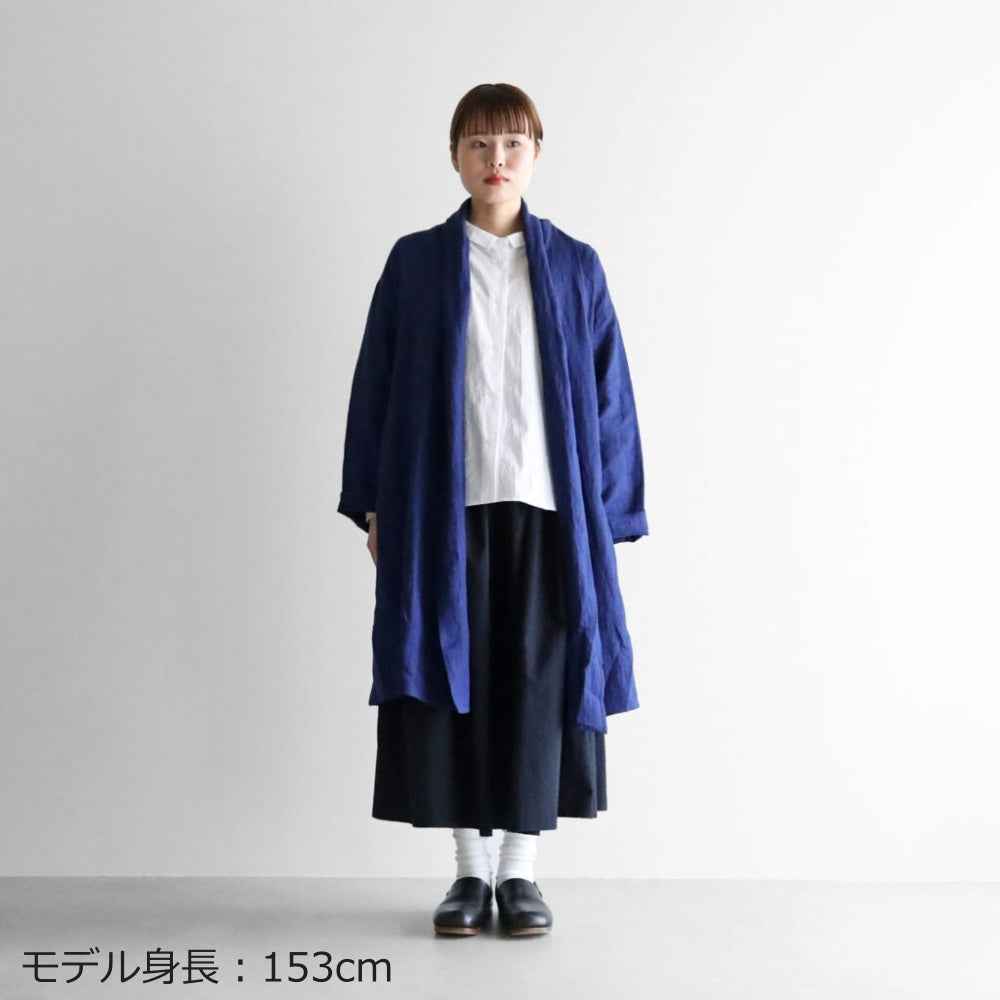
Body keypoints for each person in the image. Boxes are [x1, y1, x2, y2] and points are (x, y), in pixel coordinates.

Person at [338, 83, 648, 937]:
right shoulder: (416, 263)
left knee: (536, 684)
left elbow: (611, 396)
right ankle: (468, 875)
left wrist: (609, 514)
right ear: (454, 157)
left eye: (512, 144)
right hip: (442, 507)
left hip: (549, 512)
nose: (496, 160)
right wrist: (373, 504)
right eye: (478, 144)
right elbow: (376, 384)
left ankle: (521, 872)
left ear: (536, 156)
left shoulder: (575, 265)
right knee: (453, 682)